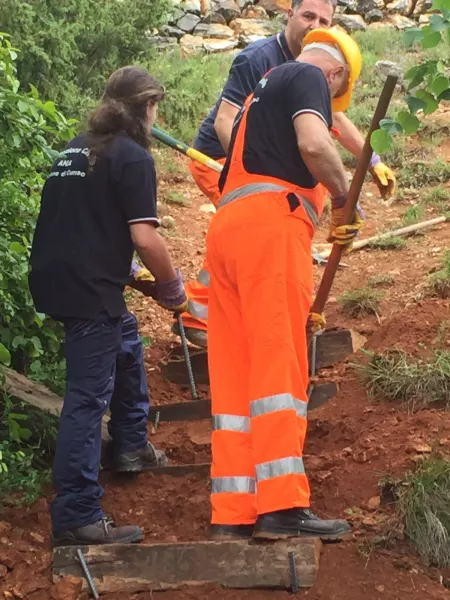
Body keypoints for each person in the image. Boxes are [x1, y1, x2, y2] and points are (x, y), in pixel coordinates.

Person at [206, 27, 364, 540]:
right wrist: (343, 195)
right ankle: (281, 507)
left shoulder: (261, 90)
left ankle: (233, 511)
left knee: (236, 373)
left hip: (228, 231)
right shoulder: (309, 76)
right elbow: (315, 143)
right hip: (272, 229)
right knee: (279, 365)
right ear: (336, 75)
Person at [176, 0, 396, 348]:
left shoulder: (313, 65)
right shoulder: (258, 59)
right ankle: (204, 318)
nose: (314, 24)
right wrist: (248, 170)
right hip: (220, 158)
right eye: (308, 15)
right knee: (252, 231)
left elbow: (333, 118)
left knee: (275, 224)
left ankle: (255, 310)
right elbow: (224, 119)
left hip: (264, 164)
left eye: (323, 19)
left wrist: (373, 160)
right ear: (289, 14)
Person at [29, 66, 188, 547]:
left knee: (127, 344)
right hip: (89, 288)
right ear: (146, 108)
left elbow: (85, 223)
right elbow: (144, 236)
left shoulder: (76, 149)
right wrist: (172, 288)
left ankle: (131, 446)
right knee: (86, 398)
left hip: (57, 276)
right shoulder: (133, 156)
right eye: (155, 107)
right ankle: (77, 513)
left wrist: (129, 276)